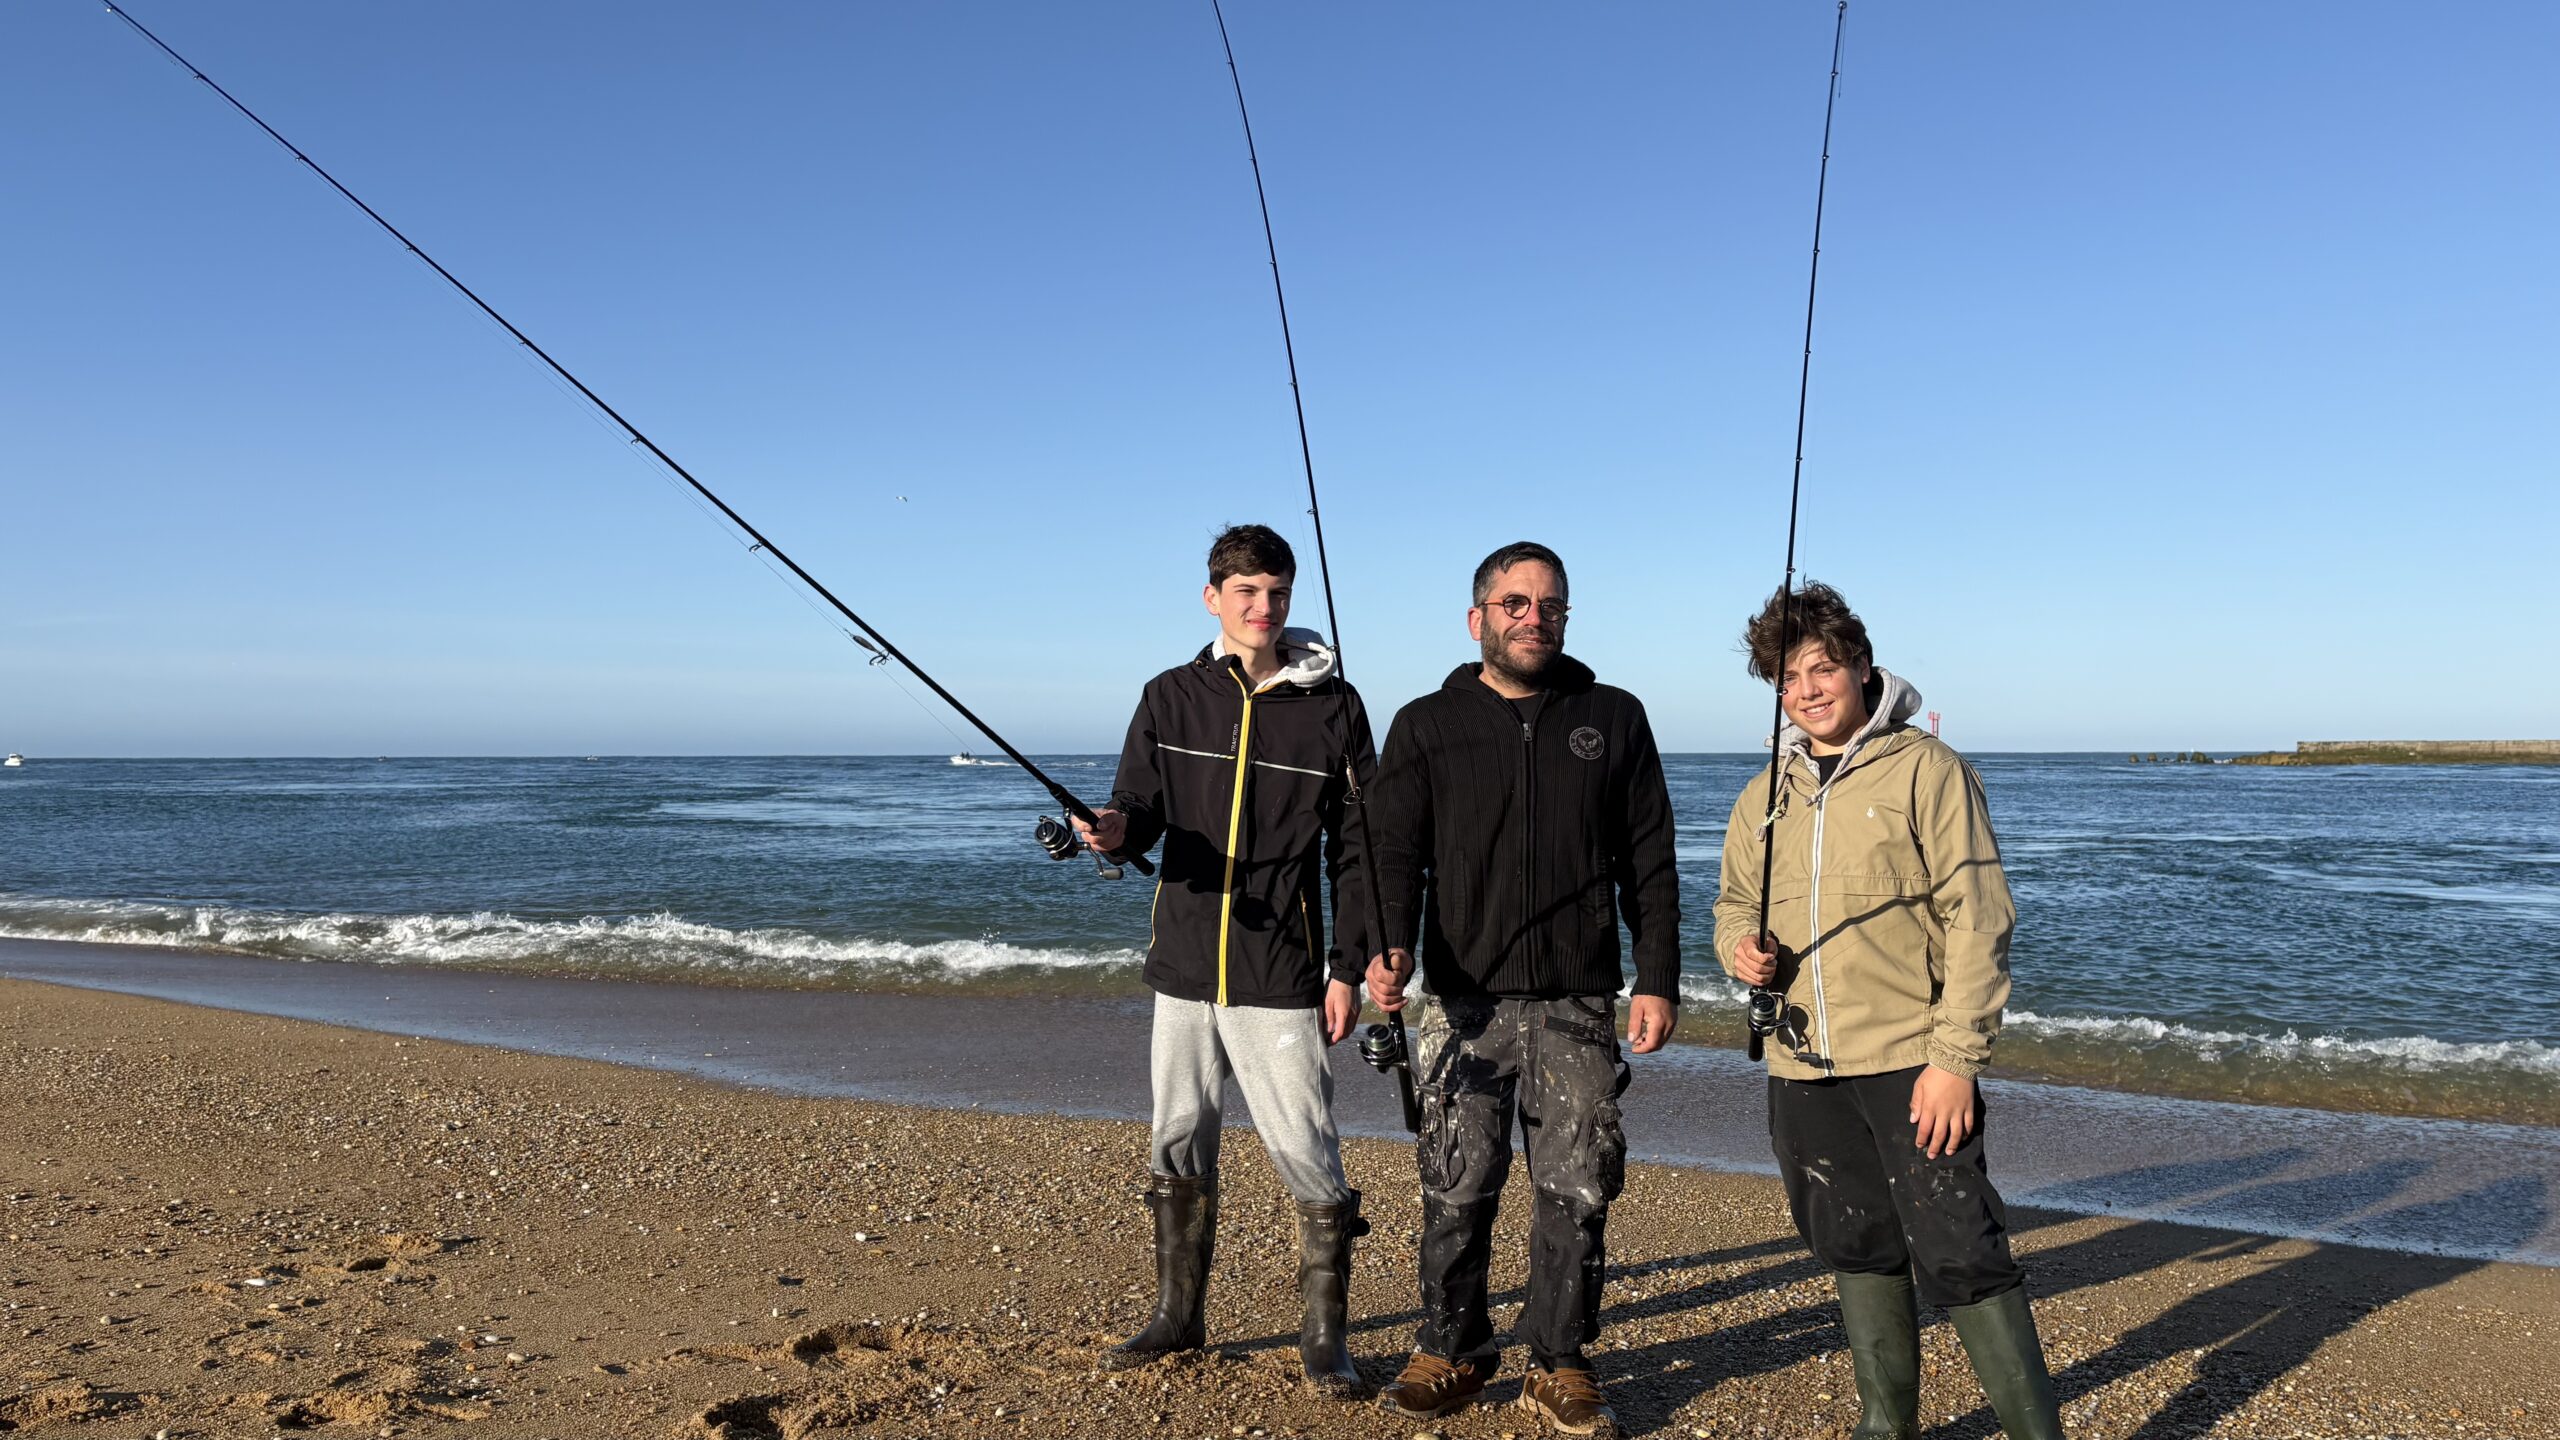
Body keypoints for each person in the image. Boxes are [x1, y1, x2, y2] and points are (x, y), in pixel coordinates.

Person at [1712, 582, 2063, 1440]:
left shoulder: (1929, 770)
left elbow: (1979, 918)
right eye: (1788, 678)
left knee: (1961, 1248)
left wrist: (1955, 1062)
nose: (1807, 690)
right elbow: (1732, 906)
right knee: (1854, 1240)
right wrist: (1740, 951)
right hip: (1802, 1065)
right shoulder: (1764, 794)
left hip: (1913, 1061)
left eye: (1822, 668)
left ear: (1862, 667)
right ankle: (1886, 1424)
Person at [1364, 540, 1680, 1437]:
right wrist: (1382, 948)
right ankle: (1453, 1347)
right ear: (1478, 618)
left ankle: (1560, 1360)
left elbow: (1650, 859)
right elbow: (1392, 855)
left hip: (1578, 997)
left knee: (1578, 1188)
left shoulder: (1612, 716)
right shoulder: (1425, 724)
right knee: (1456, 1182)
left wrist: (1657, 978)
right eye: (1515, 603)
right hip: (1461, 998)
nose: (1534, 618)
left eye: (1550, 605)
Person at [1075, 523, 1376, 1396]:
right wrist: (1114, 831)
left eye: (1276, 593)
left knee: (1306, 1147)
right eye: (1246, 592)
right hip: (1182, 963)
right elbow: (1138, 807)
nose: (1263, 607)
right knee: (1176, 1137)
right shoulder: (1169, 696)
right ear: (1213, 599)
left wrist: (1349, 965)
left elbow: (1361, 849)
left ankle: (1324, 1340)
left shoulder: (1336, 707)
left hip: (1281, 967)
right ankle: (1178, 1318)